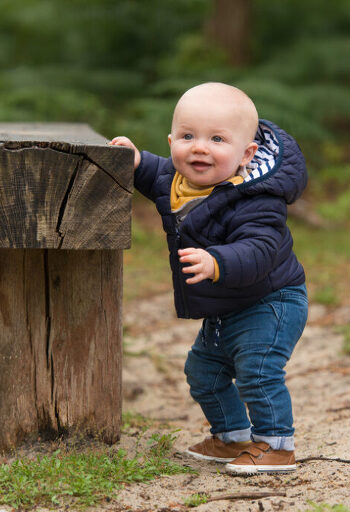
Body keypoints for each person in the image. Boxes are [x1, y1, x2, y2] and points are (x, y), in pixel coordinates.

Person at [109, 82, 308, 475]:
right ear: (171, 141)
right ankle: (232, 436)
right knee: (204, 371)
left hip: (271, 301)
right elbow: (155, 173)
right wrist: (134, 161)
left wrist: (218, 260)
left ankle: (276, 444)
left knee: (258, 369)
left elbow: (261, 248)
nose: (199, 147)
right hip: (228, 305)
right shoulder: (179, 180)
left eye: (217, 139)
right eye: (187, 136)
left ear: (246, 154)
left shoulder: (255, 197)